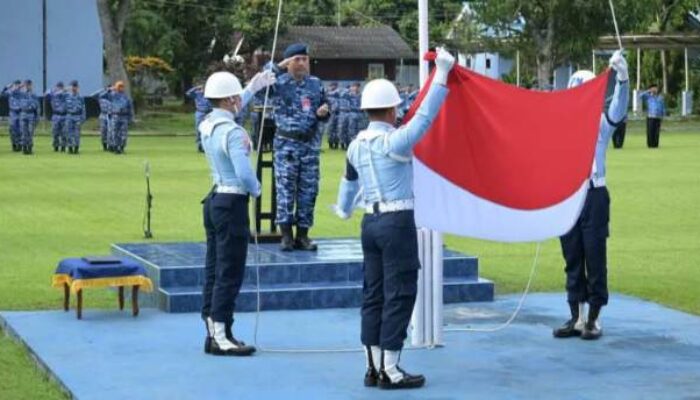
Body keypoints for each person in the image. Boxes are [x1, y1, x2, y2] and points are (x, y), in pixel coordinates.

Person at [334, 47, 455, 390]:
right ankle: (392, 368)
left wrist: (343, 209)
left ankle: (372, 366)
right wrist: (443, 74)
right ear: (391, 108)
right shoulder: (395, 142)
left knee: (373, 293)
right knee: (400, 292)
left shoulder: (355, 144)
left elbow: (348, 184)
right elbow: (426, 117)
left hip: (369, 224)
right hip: (396, 222)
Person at [553, 50, 629, 341]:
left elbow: (619, 110)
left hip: (594, 195)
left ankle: (594, 318)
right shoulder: (561, 125)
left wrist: (622, 77)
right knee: (572, 256)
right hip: (568, 196)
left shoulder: (601, 122)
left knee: (595, 256)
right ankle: (577, 317)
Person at [198, 69, 275, 356]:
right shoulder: (233, 132)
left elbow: (230, 105)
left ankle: (215, 330)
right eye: (236, 97)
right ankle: (221, 334)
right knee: (230, 271)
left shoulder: (208, 124)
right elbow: (244, 173)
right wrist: (256, 189)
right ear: (229, 100)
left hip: (215, 198)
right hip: (232, 202)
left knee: (214, 269)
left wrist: (251, 87)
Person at [265, 43, 330, 251]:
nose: (302, 63)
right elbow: (258, 85)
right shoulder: (279, 82)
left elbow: (325, 107)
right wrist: (278, 66)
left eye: (305, 59)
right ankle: (286, 235)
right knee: (285, 190)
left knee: (309, 191)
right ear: (289, 62)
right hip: (287, 146)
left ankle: (303, 235)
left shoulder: (315, 83)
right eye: (297, 59)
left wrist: (324, 112)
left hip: (309, 146)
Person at [186, 83, 213, 152]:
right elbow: (188, 93)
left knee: (210, 130)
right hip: (200, 112)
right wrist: (196, 88)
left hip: (209, 113)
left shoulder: (211, 95)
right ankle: (199, 146)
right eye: (203, 89)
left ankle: (208, 146)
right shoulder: (198, 94)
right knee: (198, 129)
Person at [109, 81, 133, 154]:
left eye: (122, 86)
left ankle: (122, 147)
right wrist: (109, 89)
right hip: (115, 116)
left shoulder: (126, 97)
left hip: (124, 117)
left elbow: (130, 108)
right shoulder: (113, 95)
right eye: (119, 86)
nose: (120, 88)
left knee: (123, 134)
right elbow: (101, 96)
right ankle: (116, 147)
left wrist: (130, 118)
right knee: (114, 133)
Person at [639, 83, 665, 148]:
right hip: (650, 117)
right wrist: (648, 91)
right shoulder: (648, 97)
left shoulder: (660, 97)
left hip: (658, 117)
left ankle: (655, 145)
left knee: (657, 132)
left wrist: (663, 114)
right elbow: (640, 95)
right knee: (650, 132)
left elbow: (663, 107)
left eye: (655, 88)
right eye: (653, 88)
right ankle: (650, 145)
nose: (654, 89)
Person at [45, 81, 68, 152]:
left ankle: (63, 147)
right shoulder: (52, 94)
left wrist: (64, 91)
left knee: (64, 133)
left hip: (64, 115)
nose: (60, 88)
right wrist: (58, 91)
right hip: (56, 115)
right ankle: (56, 146)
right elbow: (46, 94)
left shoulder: (65, 95)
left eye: (61, 87)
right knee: (55, 133)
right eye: (58, 87)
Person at [65, 80, 86, 154]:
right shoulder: (67, 96)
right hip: (69, 116)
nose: (74, 88)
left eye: (75, 87)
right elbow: (54, 94)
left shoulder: (80, 97)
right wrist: (66, 89)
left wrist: (83, 118)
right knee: (69, 132)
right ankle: (70, 148)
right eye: (73, 87)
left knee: (77, 133)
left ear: (78, 87)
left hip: (77, 116)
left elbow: (83, 108)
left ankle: (76, 148)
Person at [19, 80, 39, 155]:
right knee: (24, 132)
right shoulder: (21, 94)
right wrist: (21, 85)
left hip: (31, 115)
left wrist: (37, 117)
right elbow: (11, 92)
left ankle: (30, 148)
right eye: (27, 85)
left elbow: (37, 107)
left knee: (30, 132)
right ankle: (24, 148)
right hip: (23, 114)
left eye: (29, 85)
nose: (28, 86)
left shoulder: (34, 95)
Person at [1, 80, 23, 152]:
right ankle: (14, 144)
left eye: (18, 85)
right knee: (12, 129)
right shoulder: (10, 93)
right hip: (13, 113)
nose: (16, 86)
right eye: (15, 85)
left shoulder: (22, 93)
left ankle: (20, 144)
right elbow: (2, 94)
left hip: (20, 112)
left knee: (20, 129)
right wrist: (6, 87)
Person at [92, 86, 113, 151]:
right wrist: (103, 90)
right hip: (103, 115)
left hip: (112, 115)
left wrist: (114, 89)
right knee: (103, 131)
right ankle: (104, 146)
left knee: (111, 132)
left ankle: (111, 146)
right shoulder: (102, 98)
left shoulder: (114, 97)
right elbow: (93, 95)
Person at [326, 82, 340, 149]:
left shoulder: (339, 94)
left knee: (337, 129)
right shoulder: (327, 94)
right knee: (330, 129)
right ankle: (330, 143)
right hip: (331, 113)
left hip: (338, 113)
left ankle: (336, 143)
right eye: (331, 85)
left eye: (334, 86)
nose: (333, 87)